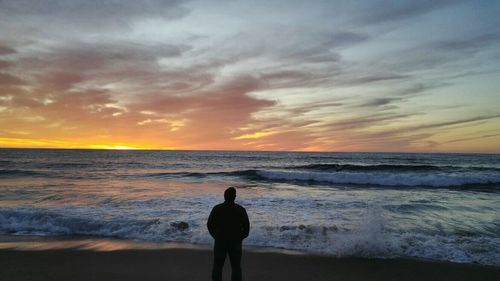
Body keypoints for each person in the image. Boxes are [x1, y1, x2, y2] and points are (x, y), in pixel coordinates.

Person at [207, 187, 250, 281]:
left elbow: (209, 224)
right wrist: (240, 238)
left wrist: (215, 236)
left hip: (220, 241)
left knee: (218, 267)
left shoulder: (217, 208)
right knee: (236, 267)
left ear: (224, 196)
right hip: (235, 241)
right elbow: (247, 228)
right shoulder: (240, 209)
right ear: (234, 197)